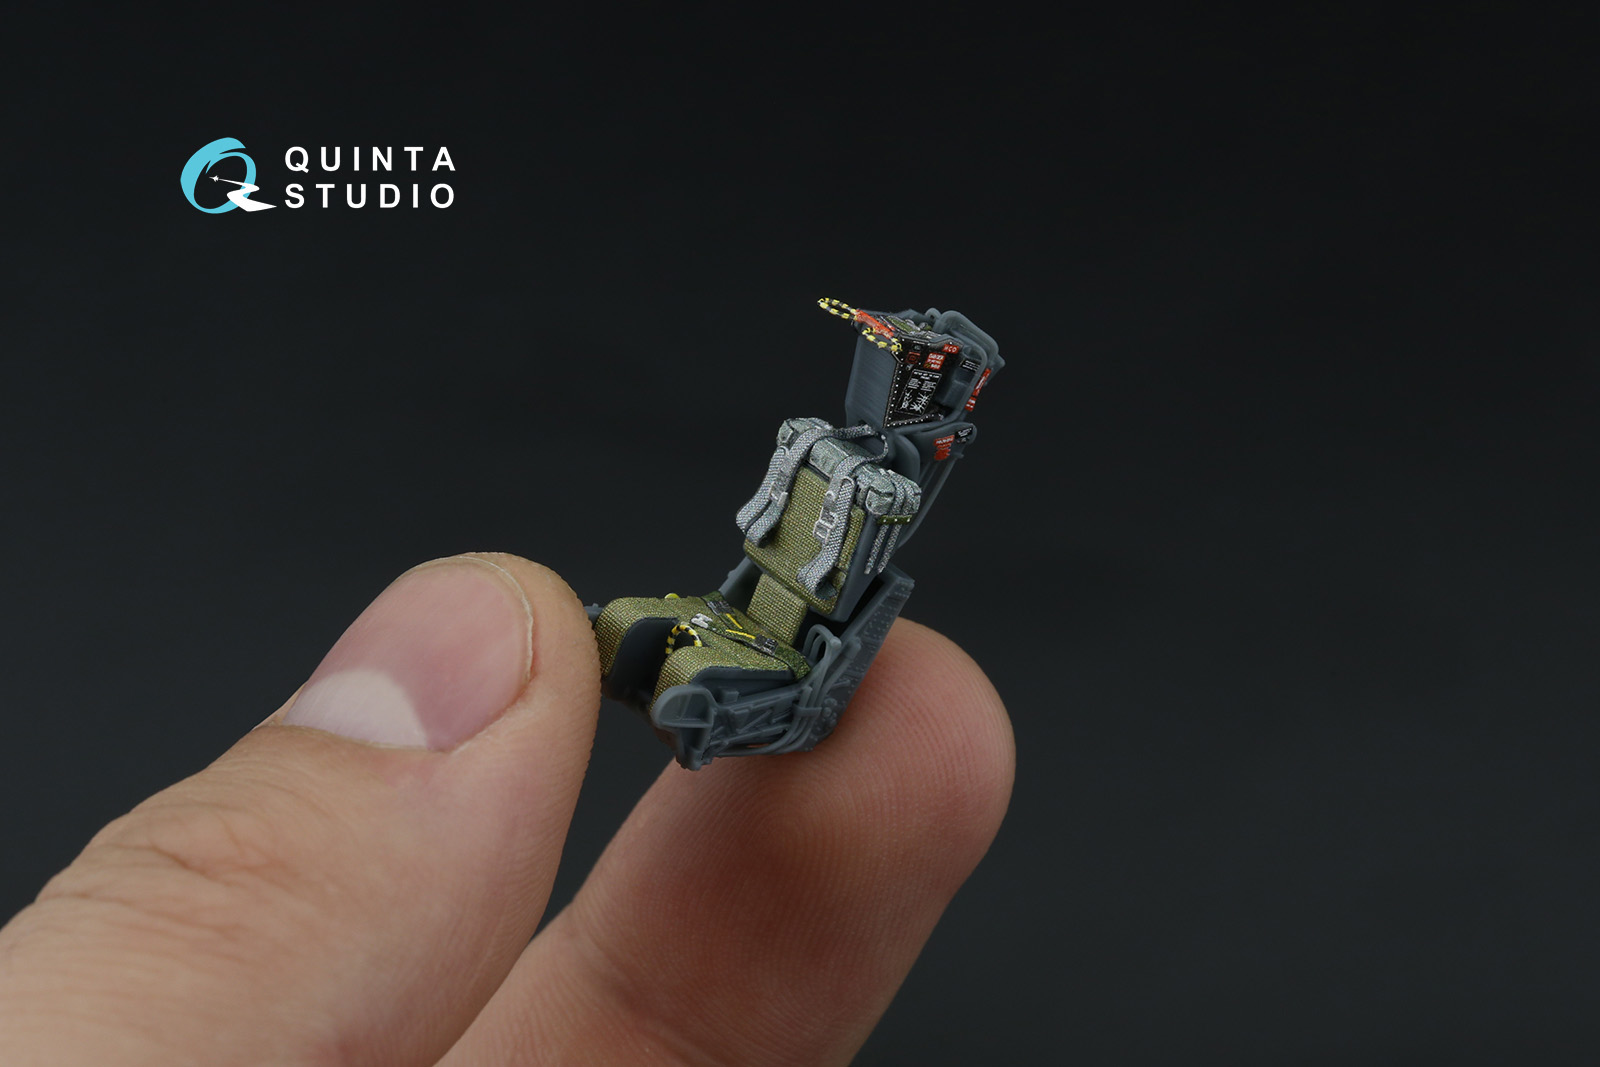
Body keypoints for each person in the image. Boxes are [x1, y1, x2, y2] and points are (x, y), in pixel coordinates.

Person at [0, 553, 1014, 1064]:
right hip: (755, 612)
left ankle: (698, 706)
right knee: (627, 624)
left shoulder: (860, 502)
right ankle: (652, 672)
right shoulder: (815, 477)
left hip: (791, 648)